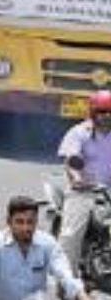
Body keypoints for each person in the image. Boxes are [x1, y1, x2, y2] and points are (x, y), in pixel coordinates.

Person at [0, 196, 85, 300]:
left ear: (36, 222)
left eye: (30, 222)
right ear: (9, 221)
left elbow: (64, 274)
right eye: (19, 222)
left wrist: (82, 296)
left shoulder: (47, 243)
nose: (25, 228)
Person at [57, 89, 111, 268]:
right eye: (101, 112)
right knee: (70, 236)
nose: (106, 116)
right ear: (92, 113)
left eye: (110, 112)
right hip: (84, 191)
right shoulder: (79, 133)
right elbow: (71, 159)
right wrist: (76, 178)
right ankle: (65, 282)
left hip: (108, 191)